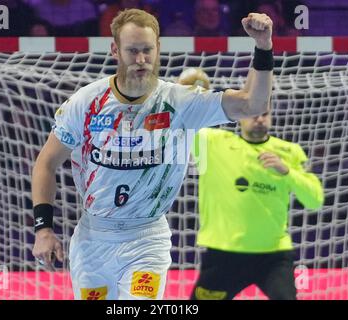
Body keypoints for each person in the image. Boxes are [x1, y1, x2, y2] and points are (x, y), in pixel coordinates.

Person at [32, 8, 274, 300]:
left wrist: (263, 47)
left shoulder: (179, 102)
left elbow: (252, 104)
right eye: (132, 51)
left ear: (158, 48)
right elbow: (46, 163)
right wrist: (43, 229)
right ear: (115, 50)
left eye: (147, 50)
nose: (141, 60)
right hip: (93, 239)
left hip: (146, 238)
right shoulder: (86, 103)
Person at [179, 69, 324, 300]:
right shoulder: (212, 142)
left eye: (265, 113)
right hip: (224, 254)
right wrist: (191, 95)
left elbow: (315, 200)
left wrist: (287, 172)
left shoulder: (289, 151)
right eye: (255, 113)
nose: (259, 118)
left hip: (273, 255)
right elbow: (183, 124)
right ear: (240, 114)